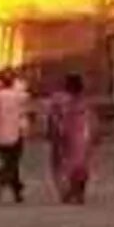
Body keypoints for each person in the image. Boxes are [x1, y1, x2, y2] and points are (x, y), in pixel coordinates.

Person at [0, 71, 32, 204]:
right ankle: (1, 189)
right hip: (17, 134)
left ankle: (16, 192)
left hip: (1, 135)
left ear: (1, 83)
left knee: (9, 163)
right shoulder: (21, 97)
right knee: (12, 163)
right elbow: (24, 115)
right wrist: (25, 129)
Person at [47, 73, 95, 204]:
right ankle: (77, 192)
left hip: (66, 135)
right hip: (81, 136)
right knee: (80, 165)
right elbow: (90, 121)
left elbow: (53, 118)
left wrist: (53, 133)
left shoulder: (58, 99)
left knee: (62, 166)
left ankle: (68, 192)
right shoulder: (83, 101)